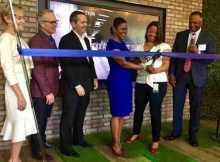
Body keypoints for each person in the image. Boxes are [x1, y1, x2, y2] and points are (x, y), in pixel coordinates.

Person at [166, 11, 216, 147]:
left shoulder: (209, 37)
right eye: (190, 22)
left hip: (198, 77)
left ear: (201, 22)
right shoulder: (181, 35)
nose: (192, 25)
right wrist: (171, 73)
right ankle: (176, 132)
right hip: (180, 76)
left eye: (195, 23)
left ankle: (193, 136)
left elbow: (211, 58)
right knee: (177, 105)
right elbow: (174, 57)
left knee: (195, 108)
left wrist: (198, 53)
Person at [125, 21, 171, 153]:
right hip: (141, 82)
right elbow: (132, 61)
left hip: (157, 82)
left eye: (155, 32)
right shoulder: (138, 47)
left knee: (155, 110)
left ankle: (155, 140)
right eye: (150, 31)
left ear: (159, 34)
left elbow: (166, 64)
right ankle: (136, 132)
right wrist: (140, 60)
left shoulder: (164, 46)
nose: (152, 33)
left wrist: (155, 70)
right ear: (147, 31)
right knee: (138, 108)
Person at [0, 3, 37, 162]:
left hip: (23, 86)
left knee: (20, 126)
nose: (23, 21)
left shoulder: (19, 39)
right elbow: (8, 70)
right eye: (19, 17)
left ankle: (15, 159)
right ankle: (14, 160)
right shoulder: (5, 39)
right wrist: (20, 95)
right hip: (15, 89)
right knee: (19, 125)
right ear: (7, 18)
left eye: (23, 17)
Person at [59, 11, 98, 157]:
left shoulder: (86, 40)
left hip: (87, 83)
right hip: (72, 86)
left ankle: (78, 139)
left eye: (86, 22)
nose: (85, 25)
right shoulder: (66, 40)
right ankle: (66, 147)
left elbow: (90, 60)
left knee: (80, 114)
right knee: (68, 116)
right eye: (82, 22)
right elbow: (65, 64)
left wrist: (94, 77)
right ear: (73, 23)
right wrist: (76, 85)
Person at [106, 17, 146, 157]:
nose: (125, 31)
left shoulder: (122, 43)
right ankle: (116, 144)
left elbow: (128, 60)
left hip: (126, 82)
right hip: (117, 82)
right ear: (115, 28)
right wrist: (142, 67)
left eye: (126, 29)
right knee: (116, 113)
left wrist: (138, 59)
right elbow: (123, 63)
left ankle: (117, 141)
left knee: (122, 114)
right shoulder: (112, 44)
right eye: (122, 29)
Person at [28, 10, 59, 160]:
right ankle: (37, 150)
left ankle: (42, 141)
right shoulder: (36, 41)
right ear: (42, 23)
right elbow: (38, 70)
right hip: (42, 91)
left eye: (55, 21)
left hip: (50, 88)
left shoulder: (51, 39)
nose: (55, 24)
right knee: (39, 121)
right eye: (52, 22)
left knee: (44, 119)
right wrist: (47, 91)